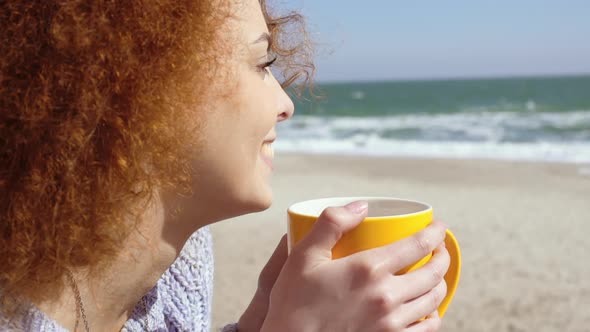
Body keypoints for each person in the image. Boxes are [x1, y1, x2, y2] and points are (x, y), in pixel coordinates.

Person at [0, 0, 450, 331]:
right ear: (138, 87)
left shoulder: (181, 265)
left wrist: (260, 324)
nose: (286, 104)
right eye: (262, 63)